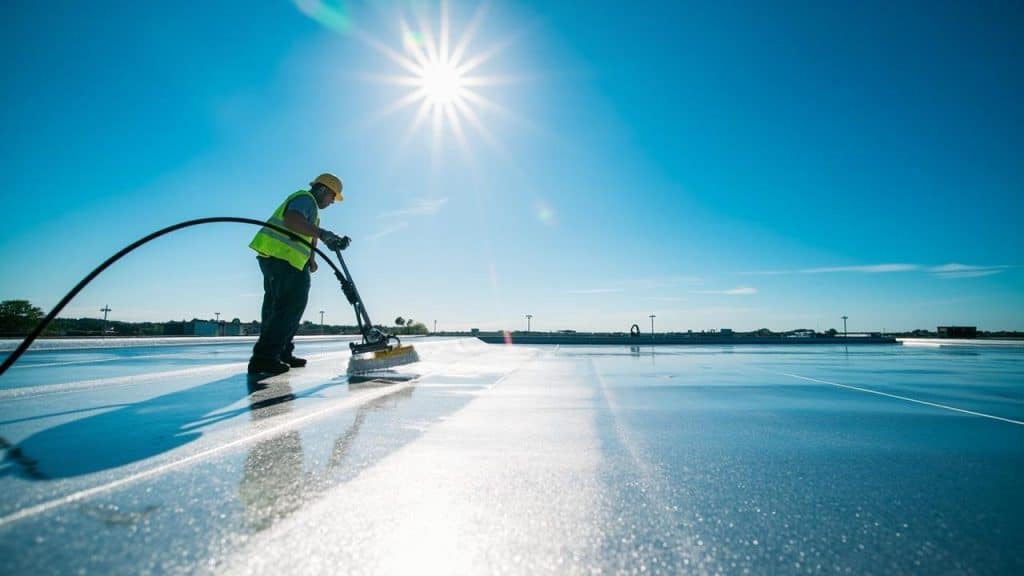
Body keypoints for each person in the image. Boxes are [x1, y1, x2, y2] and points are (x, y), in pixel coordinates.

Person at [247, 173, 351, 376]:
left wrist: (312, 258)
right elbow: (292, 220)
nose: (332, 202)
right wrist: (323, 233)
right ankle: (264, 359)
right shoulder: (305, 199)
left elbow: (307, 235)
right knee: (288, 309)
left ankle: (282, 353)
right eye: (332, 197)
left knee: (280, 308)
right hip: (283, 258)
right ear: (323, 190)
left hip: (283, 259)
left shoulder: (312, 210)